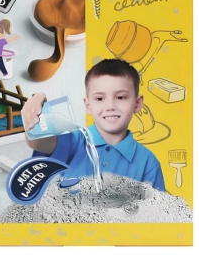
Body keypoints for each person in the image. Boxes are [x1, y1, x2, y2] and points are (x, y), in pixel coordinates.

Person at [22, 58, 165, 191]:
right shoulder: (75, 141)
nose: (110, 106)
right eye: (100, 98)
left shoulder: (148, 162)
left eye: (121, 97)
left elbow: (157, 207)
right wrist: (36, 113)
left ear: (137, 103)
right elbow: (40, 142)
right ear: (88, 105)